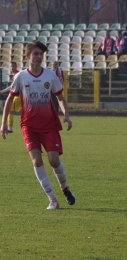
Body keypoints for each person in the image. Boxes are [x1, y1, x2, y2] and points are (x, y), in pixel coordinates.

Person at [0, 40, 75, 210]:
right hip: (29, 126)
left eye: (41, 54)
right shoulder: (21, 77)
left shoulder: (50, 75)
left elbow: (60, 98)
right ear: (28, 56)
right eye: (35, 53)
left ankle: (64, 188)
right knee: (36, 161)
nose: (39, 56)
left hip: (49, 125)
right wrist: (3, 123)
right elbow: (10, 99)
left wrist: (67, 115)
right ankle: (52, 199)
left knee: (54, 161)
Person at [0, 61, 21, 133]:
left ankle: (10, 128)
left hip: (18, 96)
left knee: (10, 110)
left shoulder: (17, 75)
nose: (12, 68)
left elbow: (11, 87)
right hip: (19, 96)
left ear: (16, 66)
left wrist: (2, 91)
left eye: (13, 66)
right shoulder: (15, 74)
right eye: (11, 66)